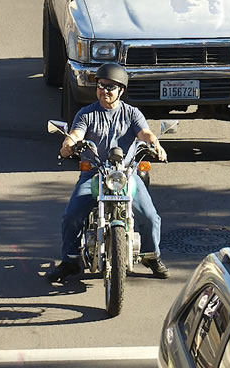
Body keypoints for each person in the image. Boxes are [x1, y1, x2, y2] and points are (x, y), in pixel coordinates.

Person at [44, 63, 169, 283]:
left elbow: (145, 133)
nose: (105, 91)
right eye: (101, 85)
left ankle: (151, 255)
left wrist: (155, 145)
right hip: (94, 173)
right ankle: (70, 260)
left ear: (121, 90)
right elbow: (76, 133)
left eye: (111, 87)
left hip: (125, 174)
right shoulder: (86, 114)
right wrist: (69, 144)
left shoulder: (131, 113)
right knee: (71, 215)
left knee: (150, 216)